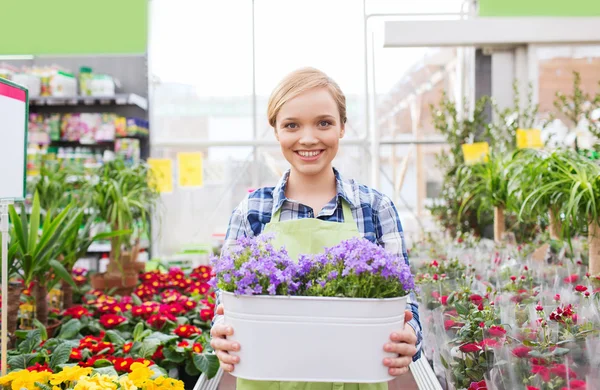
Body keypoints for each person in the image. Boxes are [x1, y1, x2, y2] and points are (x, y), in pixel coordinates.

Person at [210, 67, 422, 390]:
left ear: (342, 128)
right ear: (276, 132)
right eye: (292, 125)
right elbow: (224, 310)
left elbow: (407, 308)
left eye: (324, 123)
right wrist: (221, 333)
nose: (308, 138)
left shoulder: (375, 209)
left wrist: (409, 338)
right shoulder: (252, 211)